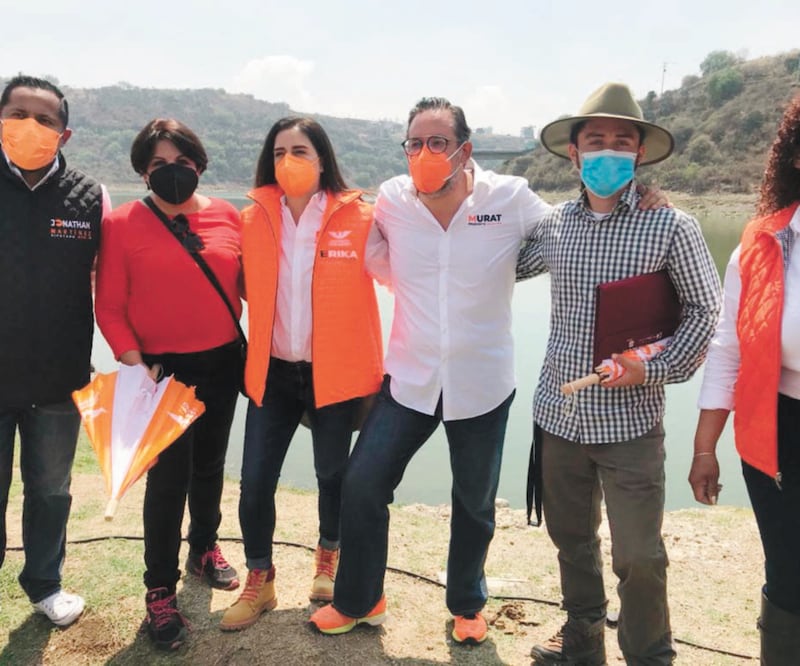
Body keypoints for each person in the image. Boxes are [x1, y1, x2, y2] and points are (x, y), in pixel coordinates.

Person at [516, 82, 721, 665]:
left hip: (630, 423)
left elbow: (706, 311)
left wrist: (654, 369)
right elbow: (495, 266)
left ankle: (649, 654)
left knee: (639, 554)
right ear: (574, 154)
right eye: (596, 141)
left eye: (622, 141)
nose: (608, 151)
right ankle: (582, 639)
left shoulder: (671, 227)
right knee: (572, 541)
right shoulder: (556, 226)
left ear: (639, 154)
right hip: (559, 415)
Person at [219, 117, 384, 631]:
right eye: (280, 151)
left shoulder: (362, 217)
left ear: (323, 158)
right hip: (272, 373)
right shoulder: (252, 219)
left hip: (332, 376)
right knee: (254, 483)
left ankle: (327, 558)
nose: (289, 160)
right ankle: (260, 579)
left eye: (301, 150)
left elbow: (417, 258)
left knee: (332, 476)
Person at [95, 118, 242, 650]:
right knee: (166, 481)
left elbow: (254, 286)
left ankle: (204, 547)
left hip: (223, 363)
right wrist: (136, 366)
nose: (170, 172)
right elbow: (109, 306)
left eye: (180, 162)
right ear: (142, 171)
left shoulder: (230, 216)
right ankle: (159, 589)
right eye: (157, 164)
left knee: (210, 465)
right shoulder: (122, 222)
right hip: (160, 372)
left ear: (199, 165)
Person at [689, 93, 800, 665]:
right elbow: (727, 351)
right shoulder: (760, 245)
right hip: (780, 433)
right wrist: (704, 447)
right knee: (788, 573)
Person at [0, 75, 106, 628]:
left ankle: (44, 583)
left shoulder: (91, 198)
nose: (30, 127)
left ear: (64, 134)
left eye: (44, 120)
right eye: (18, 113)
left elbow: (113, 284)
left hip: (60, 380)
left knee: (51, 490)